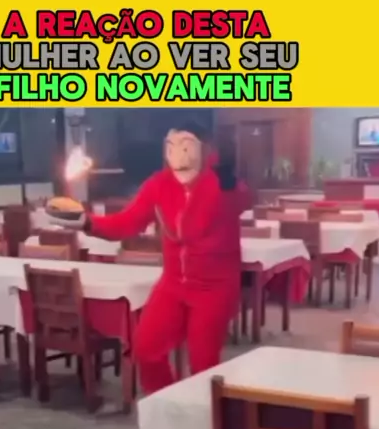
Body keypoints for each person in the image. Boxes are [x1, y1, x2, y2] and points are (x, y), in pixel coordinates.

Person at [66, 122, 250, 396]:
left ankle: (207, 418)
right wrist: (86, 222)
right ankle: (167, 405)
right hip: (173, 284)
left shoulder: (223, 184)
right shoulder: (159, 185)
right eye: (170, 147)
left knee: (203, 364)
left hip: (215, 287)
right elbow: (126, 222)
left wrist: (228, 180)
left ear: (204, 150)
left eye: (186, 146)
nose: (177, 154)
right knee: (145, 349)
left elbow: (241, 200)